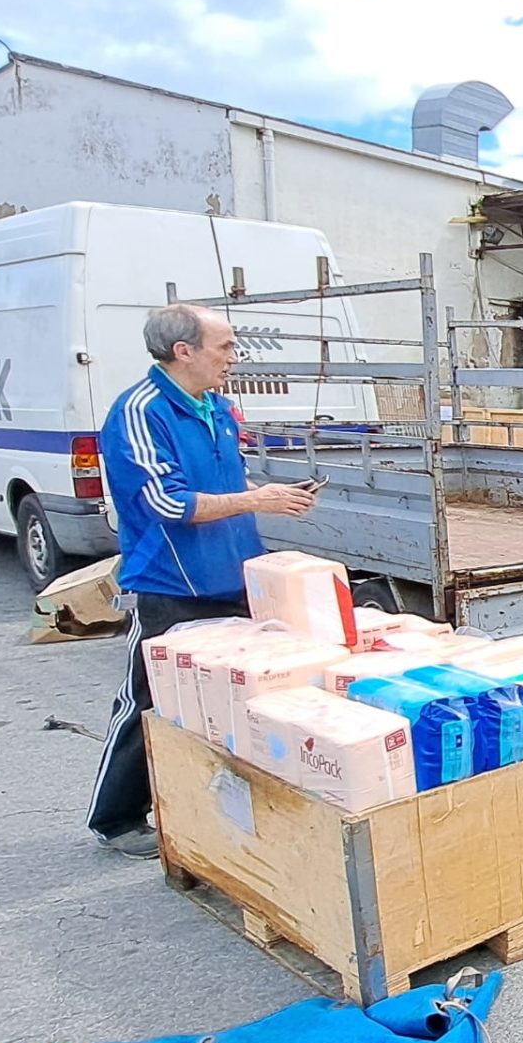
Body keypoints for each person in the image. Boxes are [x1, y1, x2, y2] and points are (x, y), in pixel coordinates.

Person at [87, 305, 318, 858]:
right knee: (149, 701)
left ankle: (220, 809)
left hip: (235, 577)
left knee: (241, 700)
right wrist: (258, 500)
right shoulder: (140, 412)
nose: (235, 357)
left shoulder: (217, 407)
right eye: (225, 346)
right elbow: (166, 503)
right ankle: (116, 817)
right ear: (183, 351)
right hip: (171, 585)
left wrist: (271, 495)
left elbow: (226, 481)